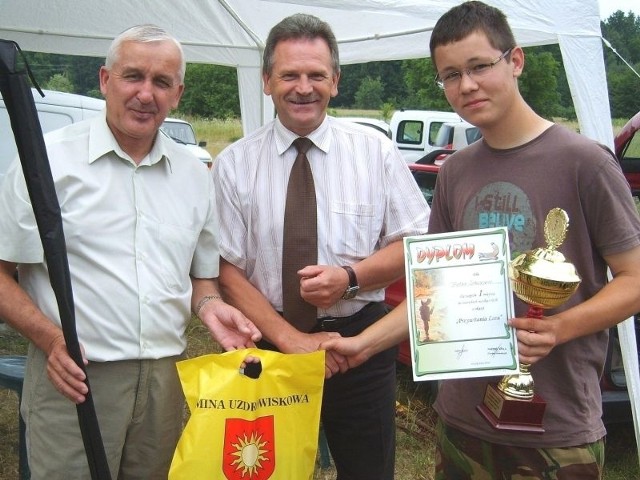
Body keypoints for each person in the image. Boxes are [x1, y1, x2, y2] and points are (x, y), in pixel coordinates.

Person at [324, 1, 640, 478]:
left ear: (514, 61)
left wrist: (559, 328)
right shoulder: (457, 173)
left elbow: (634, 279)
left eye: (479, 66)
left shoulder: (585, 163)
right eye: (450, 75)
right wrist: (363, 344)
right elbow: (433, 297)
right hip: (462, 421)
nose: (466, 85)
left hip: (555, 428)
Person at [0, 24, 261, 478]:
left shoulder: (193, 174)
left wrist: (213, 306)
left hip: (162, 380)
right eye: (132, 76)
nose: (146, 93)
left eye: (161, 82)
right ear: (105, 80)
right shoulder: (47, 161)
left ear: (177, 93)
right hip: (77, 376)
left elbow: (201, 278)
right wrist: (50, 338)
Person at [212, 13, 430, 480]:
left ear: (336, 80)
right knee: (267, 470)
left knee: (368, 471)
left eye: (316, 75)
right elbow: (226, 269)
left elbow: (414, 243)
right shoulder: (233, 164)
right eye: (289, 75)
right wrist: (291, 339)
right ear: (267, 80)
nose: (303, 87)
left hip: (359, 345)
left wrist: (350, 279)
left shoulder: (375, 152)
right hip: (270, 343)